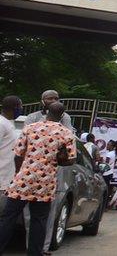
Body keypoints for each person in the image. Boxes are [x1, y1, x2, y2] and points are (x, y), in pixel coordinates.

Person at [0, 102, 76, 256]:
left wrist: (18, 174)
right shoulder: (66, 134)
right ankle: (34, 253)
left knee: (8, 217)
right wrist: (58, 159)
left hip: (23, 181)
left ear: (46, 112)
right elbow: (70, 160)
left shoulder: (30, 128)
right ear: (62, 115)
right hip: (46, 183)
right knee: (39, 220)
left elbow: (17, 155)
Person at [0, 95, 22, 196]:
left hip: (6, 178)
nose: (21, 109)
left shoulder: (8, 123)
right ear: (15, 107)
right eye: (20, 106)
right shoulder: (1, 123)